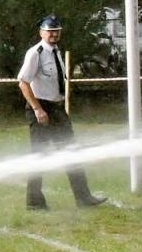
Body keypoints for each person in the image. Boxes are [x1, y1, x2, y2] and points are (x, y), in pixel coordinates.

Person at [17, 15, 106, 210]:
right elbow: (23, 83)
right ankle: (34, 203)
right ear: (41, 32)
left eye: (56, 31)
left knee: (71, 152)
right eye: (50, 31)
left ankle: (83, 198)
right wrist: (38, 109)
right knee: (39, 156)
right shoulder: (36, 53)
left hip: (57, 109)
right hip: (41, 109)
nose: (54, 35)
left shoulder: (56, 52)